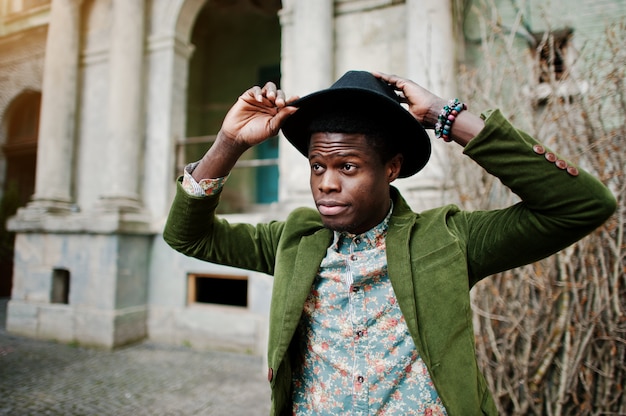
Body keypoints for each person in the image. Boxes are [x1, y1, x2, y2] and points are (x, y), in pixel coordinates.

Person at [163, 70, 616, 415]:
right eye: (318, 167)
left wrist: (447, 116)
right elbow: (187, 235)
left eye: (348, 167)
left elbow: (580, 205)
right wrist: (228, 143)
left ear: (391, 168)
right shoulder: (293, 241)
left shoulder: (448, 239)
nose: (327, 184)